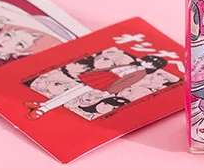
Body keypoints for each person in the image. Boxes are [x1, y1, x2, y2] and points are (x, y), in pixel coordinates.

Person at [25, 48, 173, 120]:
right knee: (74, 89)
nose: (146, 62)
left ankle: (45, 109)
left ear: (153, 67)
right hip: (103, 76)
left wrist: (110, 90)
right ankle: (44, 104)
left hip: (109, 81)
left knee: (76, 93)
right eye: (147, 60)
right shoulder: (133, 65)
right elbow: (111, 69)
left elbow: (126, 82)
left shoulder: (141, 73)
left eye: (150, 63)